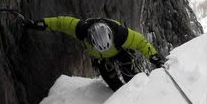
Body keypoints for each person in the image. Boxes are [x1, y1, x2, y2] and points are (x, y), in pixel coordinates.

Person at [24, 16, 165, 91]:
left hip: (118, 52)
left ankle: (137, 96)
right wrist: (41, 24)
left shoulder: (121, 34)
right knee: (113, 83)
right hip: (100, 59)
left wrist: (155, 58)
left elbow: (141, 42)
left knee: (131, 77)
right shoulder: (81, 30)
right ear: (90, 39)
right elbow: (60, 23)